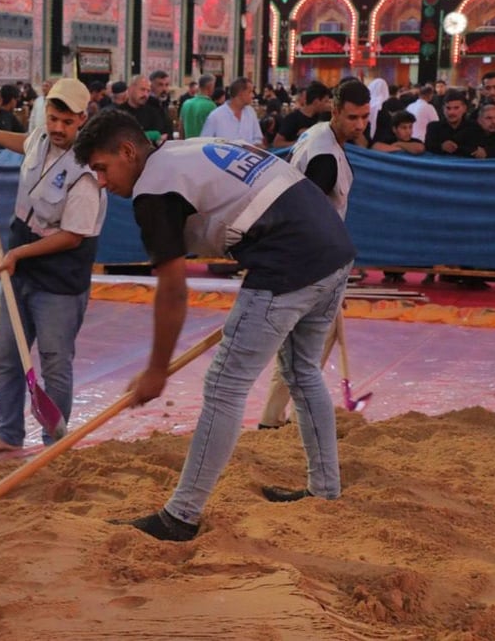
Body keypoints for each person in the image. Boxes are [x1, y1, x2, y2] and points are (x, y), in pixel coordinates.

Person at [73, 109, 355, 541]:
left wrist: (155, 370)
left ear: (127, 151)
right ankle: (326, 489)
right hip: (334, 249)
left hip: (290, 258)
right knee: (302, 371)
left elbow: (173, 291)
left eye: (102, 169)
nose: (103, 182)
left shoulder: (154, 189)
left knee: (225, 384)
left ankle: (180, 517)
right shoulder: (184, 153)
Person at [0, 78, 106, 454]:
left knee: (55, 362)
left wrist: (18, 255)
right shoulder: (41, 138)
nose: (58, 128)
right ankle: (9, 433)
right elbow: (23, 143)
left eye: (66, 122)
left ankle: (52, 442)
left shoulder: (87, 172)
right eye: (53, 118)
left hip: (58, 276)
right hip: (18, 263)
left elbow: (72, 236)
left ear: (82, 120)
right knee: (9, 356)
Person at [258, 79, 369, 429]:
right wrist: (329, 275)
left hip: (314, 258)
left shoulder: (320, 133)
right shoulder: (323, 156)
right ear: (334, 110)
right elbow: (311, 218)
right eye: (353, 118)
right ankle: (272, 419)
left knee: (313, 344)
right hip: (310, 260)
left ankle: (276, 415)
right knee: (303, 350)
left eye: (365, 117)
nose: (360, 125)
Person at [200, 77, 264, 147]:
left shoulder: (251, 112)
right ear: (240, 93)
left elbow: (258, 138)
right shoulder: (216, 116)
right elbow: (204, 144)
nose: (253, 95)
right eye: (250, 92)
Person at [425, 90, 483, 157]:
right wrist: (441, 147)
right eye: (448, 108)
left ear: (464, 108)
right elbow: (428, 146)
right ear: (443, 109)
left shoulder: (474, 127)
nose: (451, 112)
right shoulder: (433, 127)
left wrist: (456, 148)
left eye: (456, 108)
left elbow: (477, 149)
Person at [272, 81, 330, 147]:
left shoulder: (322, 117)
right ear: (316, 102)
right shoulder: (293, 118)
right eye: (326, 101)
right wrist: (300, 143)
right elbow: (277, 143)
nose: (328, 105)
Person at [119, 75, 172, 144]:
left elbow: (165, 134)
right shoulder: (119, 113)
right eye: (142, 89)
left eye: (148, 91)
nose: (146, 95)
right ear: (130, 89)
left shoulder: (155, 112)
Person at [179, 74, 216, 139]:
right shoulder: (211, 105)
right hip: (203, 146)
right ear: (210, 87)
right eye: (214, 86)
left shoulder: (186, 103)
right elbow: (215, 130)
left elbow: (181, 127)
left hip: (188, 144)